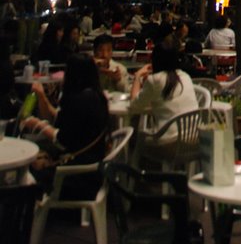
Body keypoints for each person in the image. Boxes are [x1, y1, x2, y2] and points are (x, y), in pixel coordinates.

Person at [22, 53, 110, 199]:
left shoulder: (77, 100)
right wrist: (41, 96)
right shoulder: (96, 97)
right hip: (93, 168)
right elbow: (59, 120)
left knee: (28, 160)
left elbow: (62, 140)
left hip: (75, 175)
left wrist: (37, 124)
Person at [129, 42, 196, 153]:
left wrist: (137, 76)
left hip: (169, 142)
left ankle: (134, 166)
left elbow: (134, 106)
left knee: (137, 135)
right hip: (193, 139)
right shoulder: (185, 76)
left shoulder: (155, 80)